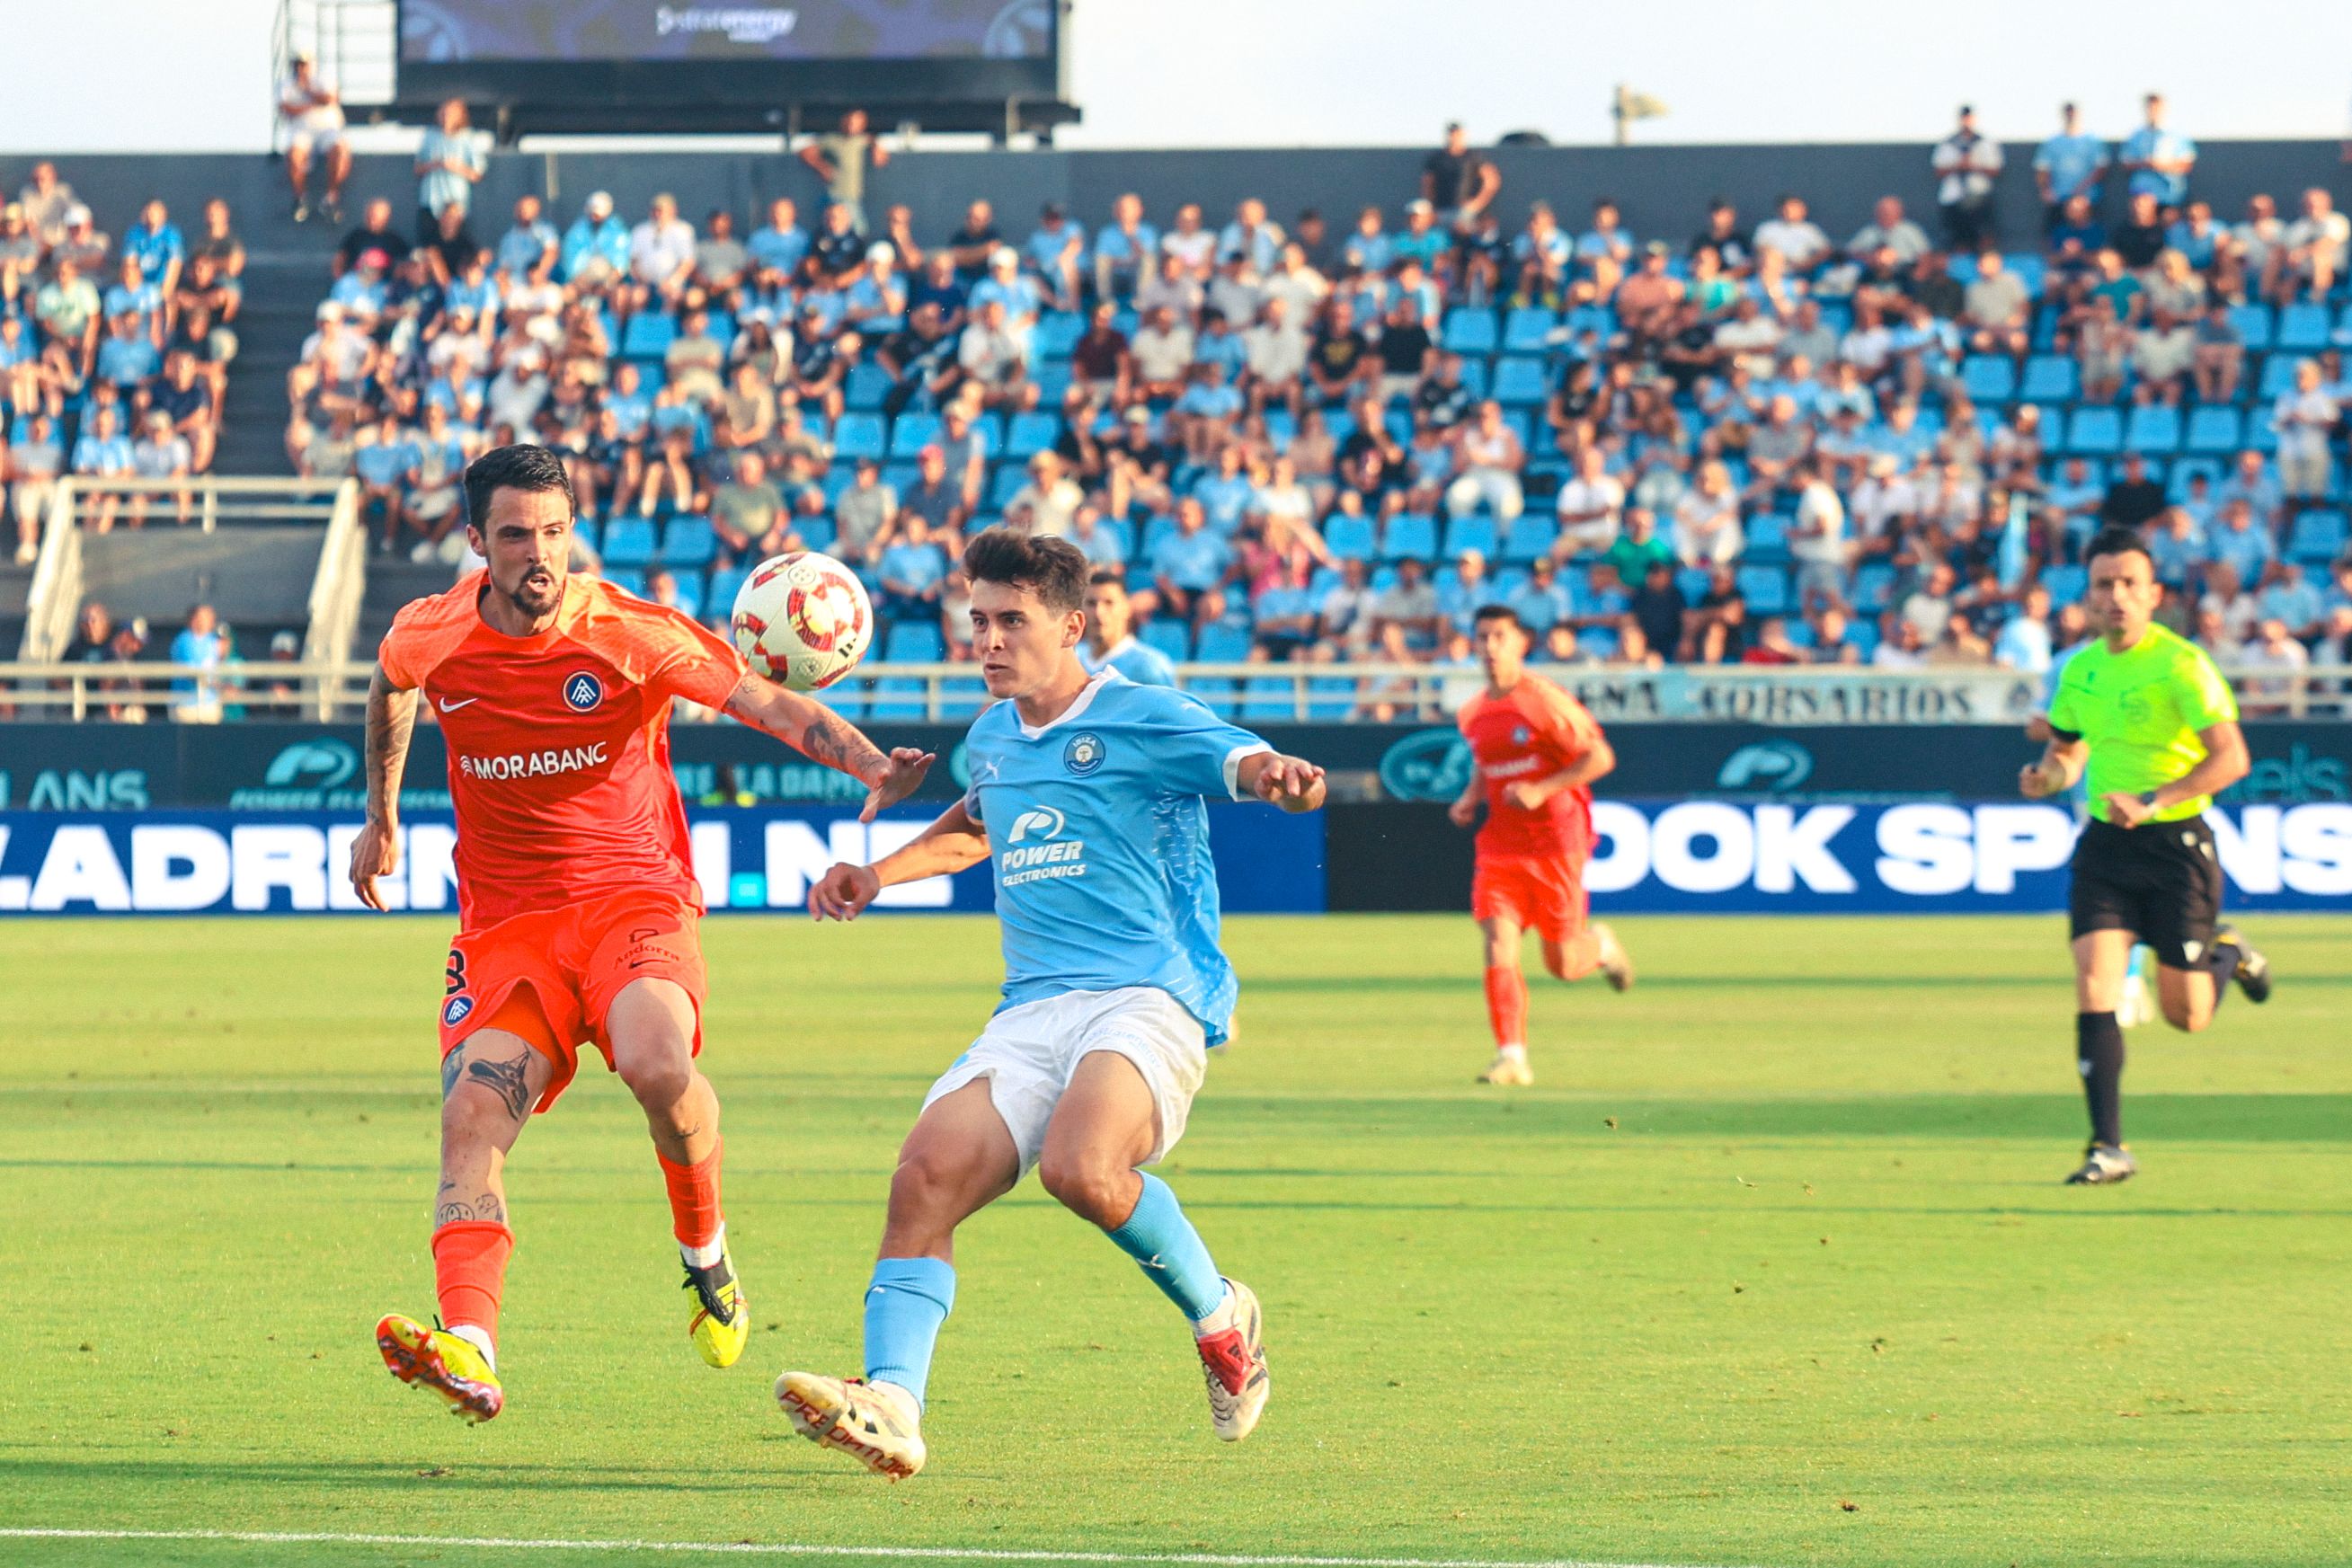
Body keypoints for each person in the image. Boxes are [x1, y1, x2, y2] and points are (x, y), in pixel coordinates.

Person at [355, 445, 933, 1422]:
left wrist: (872, 765)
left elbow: (762, 700)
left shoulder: (628, 631)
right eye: (514, 535)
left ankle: (705, 1253)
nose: (538, 553)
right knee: (469, 1119)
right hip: (507, 926)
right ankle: (471, 1348)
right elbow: (390, 684)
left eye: (553, 531)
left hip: (633, 900)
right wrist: (382, 814)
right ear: (477, 542)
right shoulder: (432, 631)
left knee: (659, 1065)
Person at [782, 529, 1327, 1478]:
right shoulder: (993, 736)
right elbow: (976, 824)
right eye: (978, 620)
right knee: (923, 1179)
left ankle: (1221, 1315)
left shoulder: (1144, 712)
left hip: (1148, 993)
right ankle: (893, 1405)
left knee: (1082, 1167)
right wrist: (875, 874)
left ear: (1072, 625)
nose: (989, 640)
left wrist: (1281, 780)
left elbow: (1248, 764)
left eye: (1011, 621)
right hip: (1031, 1009)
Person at [2019, 527, 2272, 1188]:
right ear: (2088, 596)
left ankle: (2227, 952)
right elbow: (2067, 751)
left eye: (2129, 583)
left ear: (2154, 594)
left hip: (2176, 847)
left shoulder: (2182, 664)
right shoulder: (2080, 670)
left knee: (2187, 1016)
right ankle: (2108, 1146)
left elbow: (2232, 759)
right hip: (2106, 845)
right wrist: (2047, 777)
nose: (2117, 596)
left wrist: (2155, 799)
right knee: (2094, 984)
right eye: (2103, 584)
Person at [1446, 606, 1634, 1087]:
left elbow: (1600, 757)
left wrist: (1542, 789)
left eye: (1499, 636)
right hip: (1501, 846)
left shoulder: (1544, 701)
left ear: (1520, 643)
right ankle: (1512, 1057)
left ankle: (1601, 946)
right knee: (1498, 942)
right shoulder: (1472, 712)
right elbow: (1487, 762)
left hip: (1555, 843)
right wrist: (1470, 798)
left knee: (1563, 963)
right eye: (1482, 637)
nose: (1490, 646)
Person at [278, 51, 352, 223]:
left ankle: (331, 198)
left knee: (339, 151)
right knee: (294, 155)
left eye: (304, 64)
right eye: (297, 64)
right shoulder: (285, 84)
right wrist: (313, 104)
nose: (300, 68)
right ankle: (301, 199)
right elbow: (286, 109)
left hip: (327, 129)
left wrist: (307, 91)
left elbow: (330, 98)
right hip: (301, 131)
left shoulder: (324, 79)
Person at [1079, 568, 1178, 686]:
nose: (1098, 612)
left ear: (1126, 608)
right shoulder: (1073, 661)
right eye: (1091, 603)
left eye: (1109, 603)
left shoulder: (1150, 666)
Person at [799, 109, 888, 234]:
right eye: (851, 121)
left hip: (854, 196)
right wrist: (821, 167)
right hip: (837, 194)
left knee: (851, 232)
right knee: (859, 230)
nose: (853, 125)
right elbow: (805, 152)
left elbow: (881, 160)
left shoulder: (863, 140)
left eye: (858, 122)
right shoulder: (832, 140)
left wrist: (875, 146)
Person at [1930, 106, 2004, 248]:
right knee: (1956, 238)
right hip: (1953, 197)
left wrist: (1973, 166)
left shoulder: (1985, 143)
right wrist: (1958, 166)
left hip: (1979, 195)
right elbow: (1938, 171)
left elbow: (1996, 170)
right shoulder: (1947, 144)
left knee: (1984, 235)